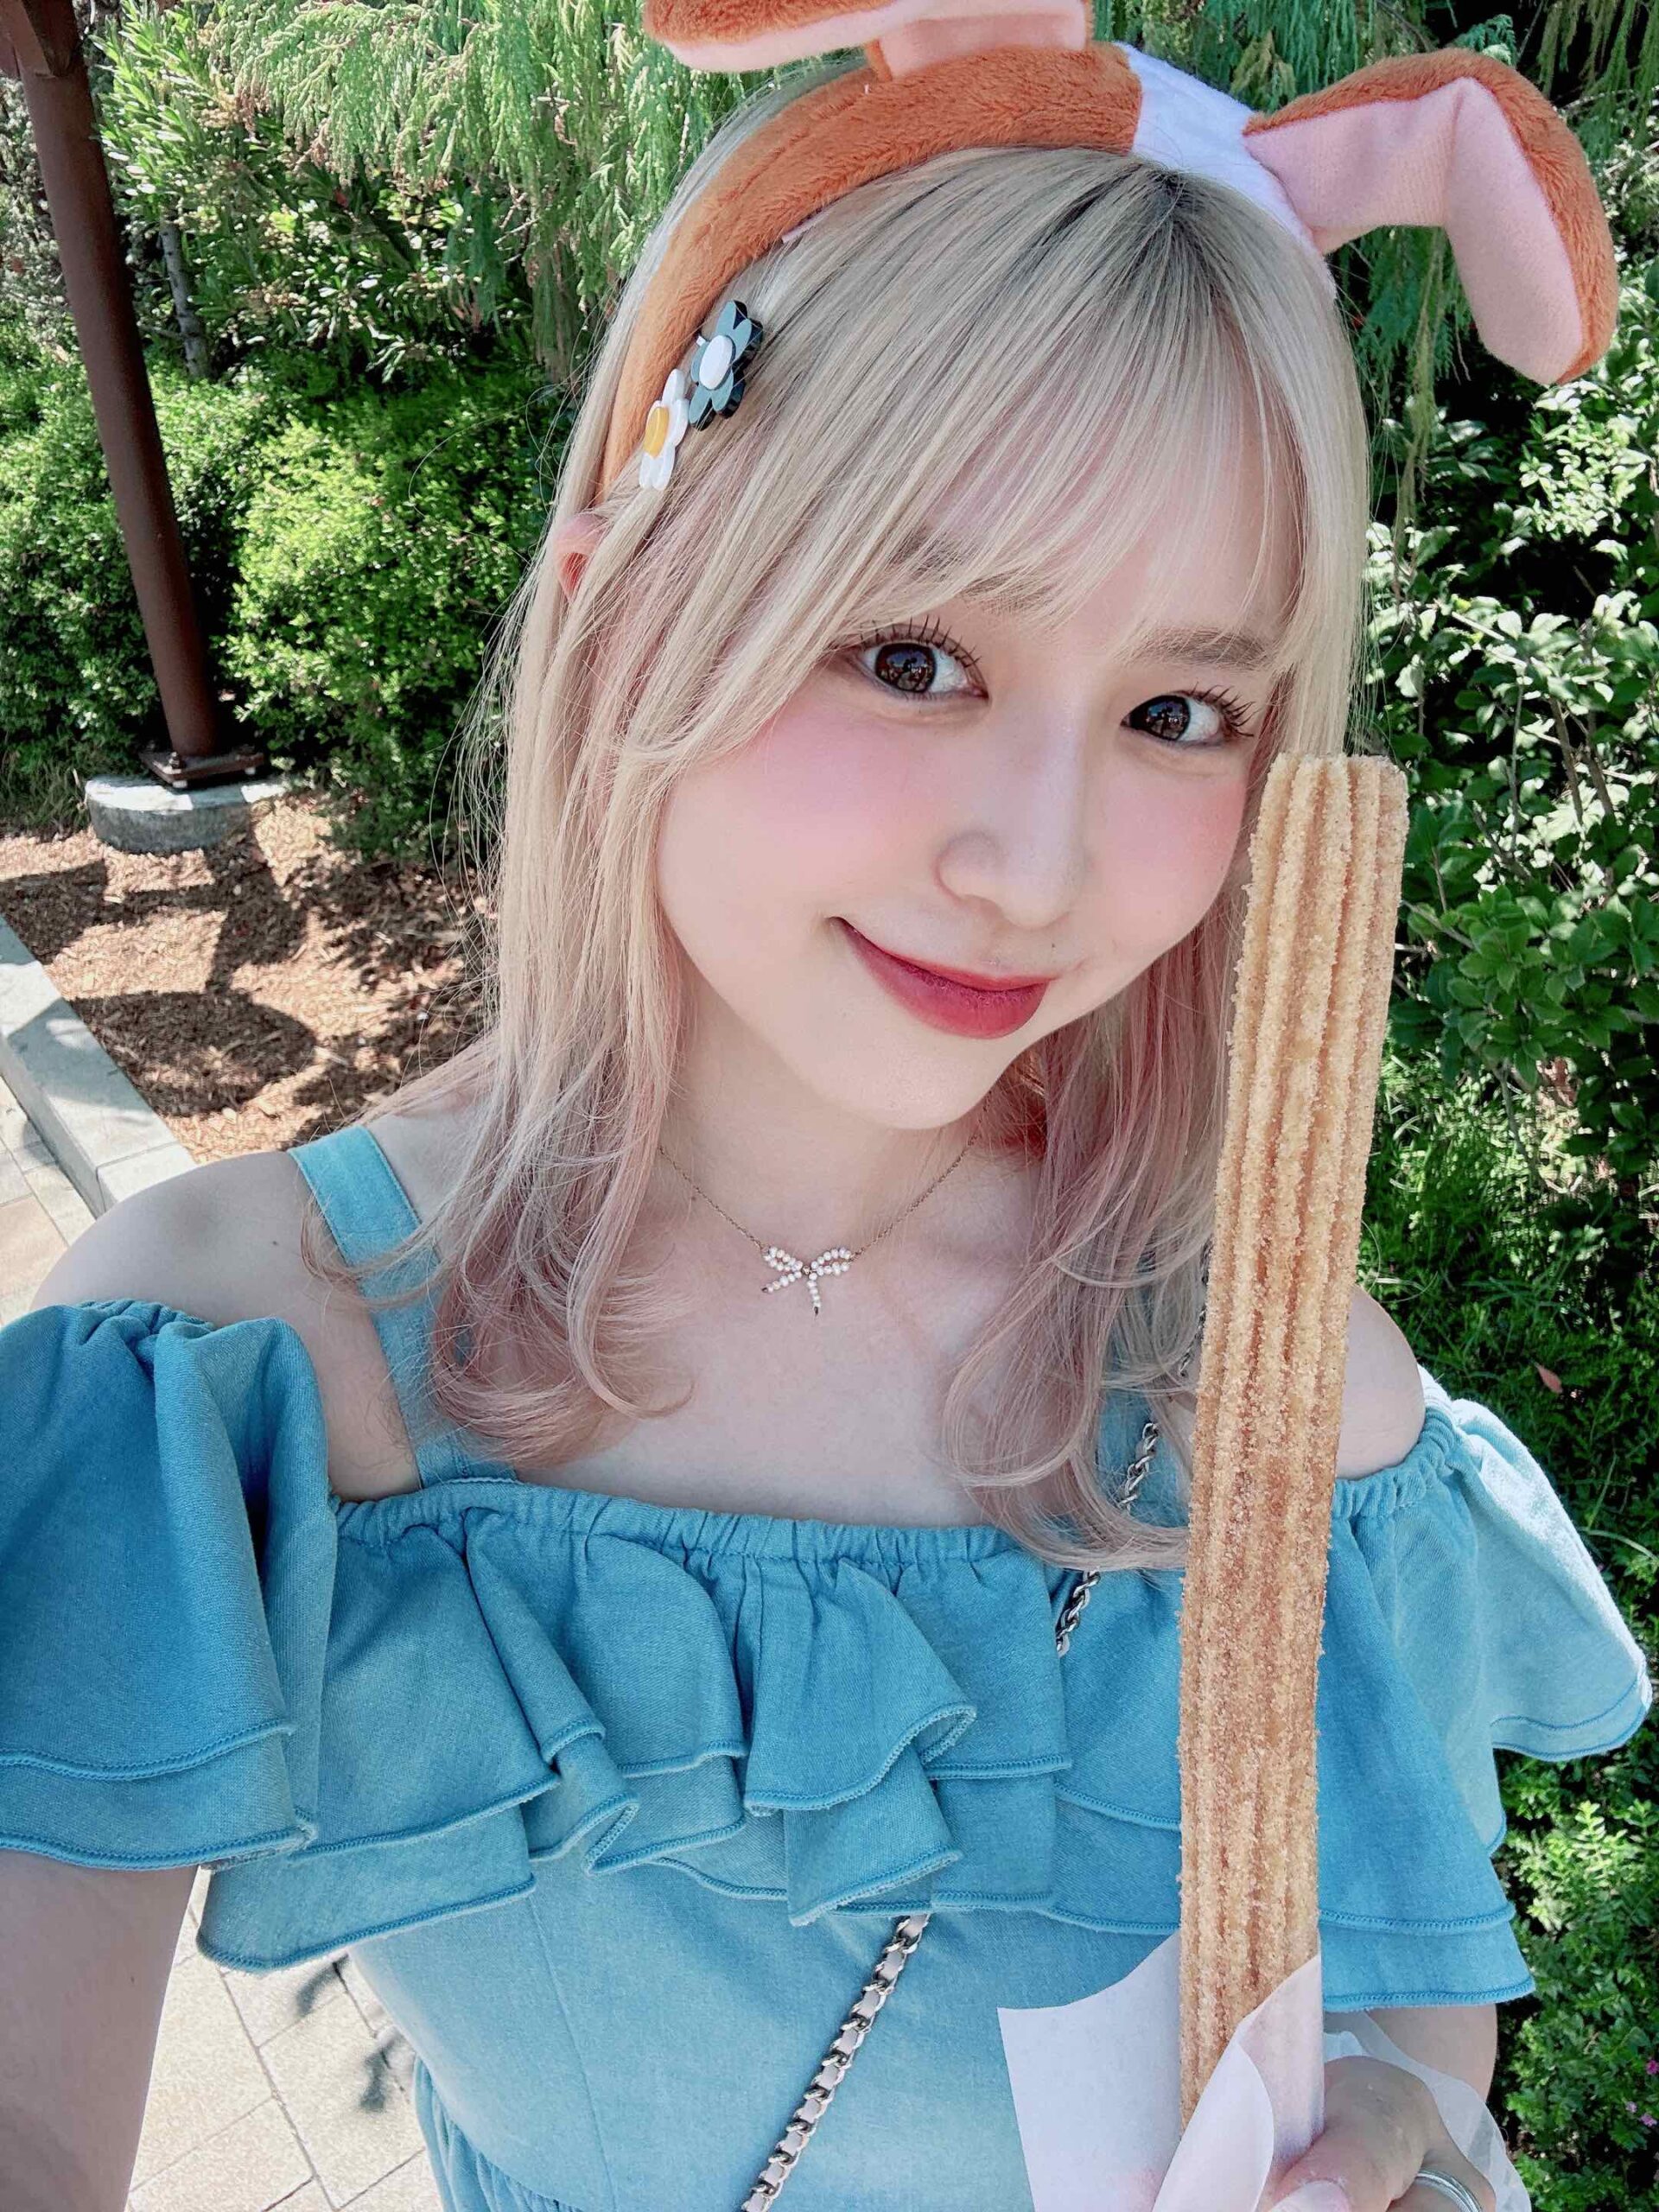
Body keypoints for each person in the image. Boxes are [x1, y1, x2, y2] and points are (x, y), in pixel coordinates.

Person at [1, 10, 1650, 2210]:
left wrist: (1392, 2126)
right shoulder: (228, 1366)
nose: (1036, 861)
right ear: (619, 612)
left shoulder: (1271, 1389)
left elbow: (1405, 1975)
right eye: (912, 654)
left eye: (1181, 707)